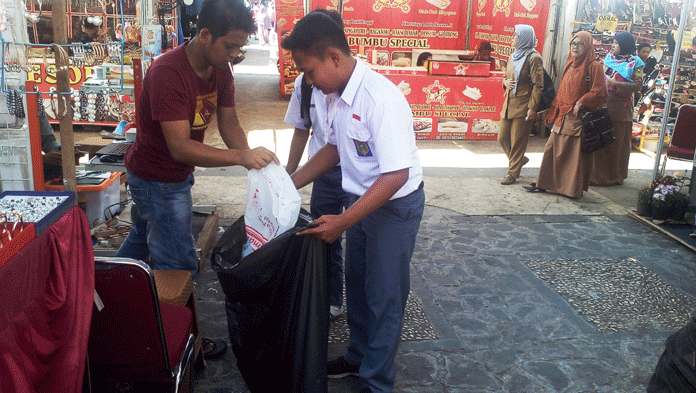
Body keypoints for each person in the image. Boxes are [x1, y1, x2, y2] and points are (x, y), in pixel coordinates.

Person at [115, 0, 278, 359]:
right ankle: (183, 345)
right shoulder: (167, 74)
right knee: (178, 266)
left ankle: (105, 302)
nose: (235, 54)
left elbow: (230, 124)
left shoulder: (221, 70)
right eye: (230, 45)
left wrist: (254, 163)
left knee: (141, 248)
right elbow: (180, 148)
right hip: (157, 180)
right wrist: (240, 157)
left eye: (240, 46)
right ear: (205, 35)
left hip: (171, 179)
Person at [281, 10, 425, 393]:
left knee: (385, 296)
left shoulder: (381, 98)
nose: (308, 81)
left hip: (394, 206)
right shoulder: (332, 94)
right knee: (358, 285)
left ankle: (376, 381)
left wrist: (342, 222)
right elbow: (334, 148)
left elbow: (396, 174)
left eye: (309, 71)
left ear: (333, 57)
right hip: (360, 199)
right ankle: (359, 355)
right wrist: (289, 183)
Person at [284, 10, 349, 321]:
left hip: (358, 175)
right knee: (324, 235)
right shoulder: (307, 83)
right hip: (323, 171)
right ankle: (330, 297)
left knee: (361, 239)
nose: (310, 77)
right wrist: (289, 175)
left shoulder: (355, 84)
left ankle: (361, 308)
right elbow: (302, 129)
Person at [523, 31, 607, 198]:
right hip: (562, 116)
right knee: (552, 150)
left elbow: (600, 92)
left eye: (580, 44)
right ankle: (543, 182)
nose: (575, 47)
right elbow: (562, 91)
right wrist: (553, 112)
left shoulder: (594, 66)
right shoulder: (570, 63)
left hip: (578, 118)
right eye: (573, 44)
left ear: (588, 45)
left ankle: (569, 188)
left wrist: (582, 101)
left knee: (572, 156)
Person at [589, 31, 644, 186]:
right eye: (612, 42)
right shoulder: (609, 59)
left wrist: (615, 84)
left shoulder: (636, 63)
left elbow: (638, 85)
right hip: (604, 105)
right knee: (601, 141)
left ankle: (614, 176)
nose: (612, 45)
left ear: (625, 45)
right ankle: (597, 176)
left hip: (621, 110)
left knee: (617, 144)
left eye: (616, 43)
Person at [498, 24, 544, 185]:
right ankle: (519, 160)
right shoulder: (513, 56)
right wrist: (505, 81)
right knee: (502, 138)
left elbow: (538, 85)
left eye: (515, 35)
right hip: (509, 103)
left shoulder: (534, 58)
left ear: (523, 38)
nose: (512, 38)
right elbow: (505, 76)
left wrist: (533, 108)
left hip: (524, 105)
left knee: (518, 141)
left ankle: (512, 173)